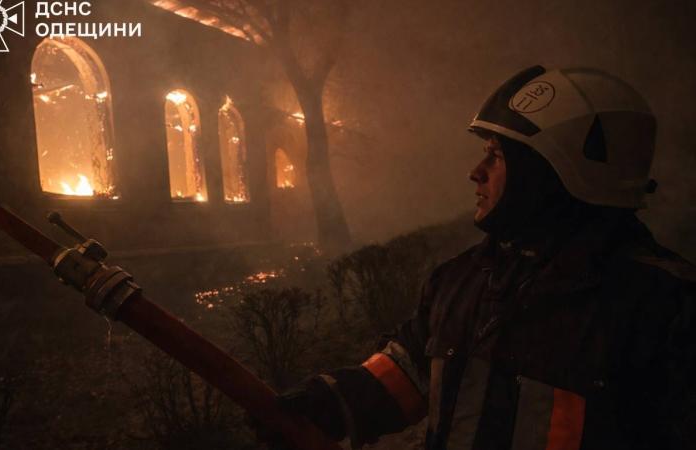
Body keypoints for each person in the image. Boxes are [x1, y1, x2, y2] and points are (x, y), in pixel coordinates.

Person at [275, 66, 696, 450]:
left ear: (557, 171)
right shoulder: (465, 279)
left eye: (496, 156)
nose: (476, 172)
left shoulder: (664, 310)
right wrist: (331, 401)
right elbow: (408, 373)